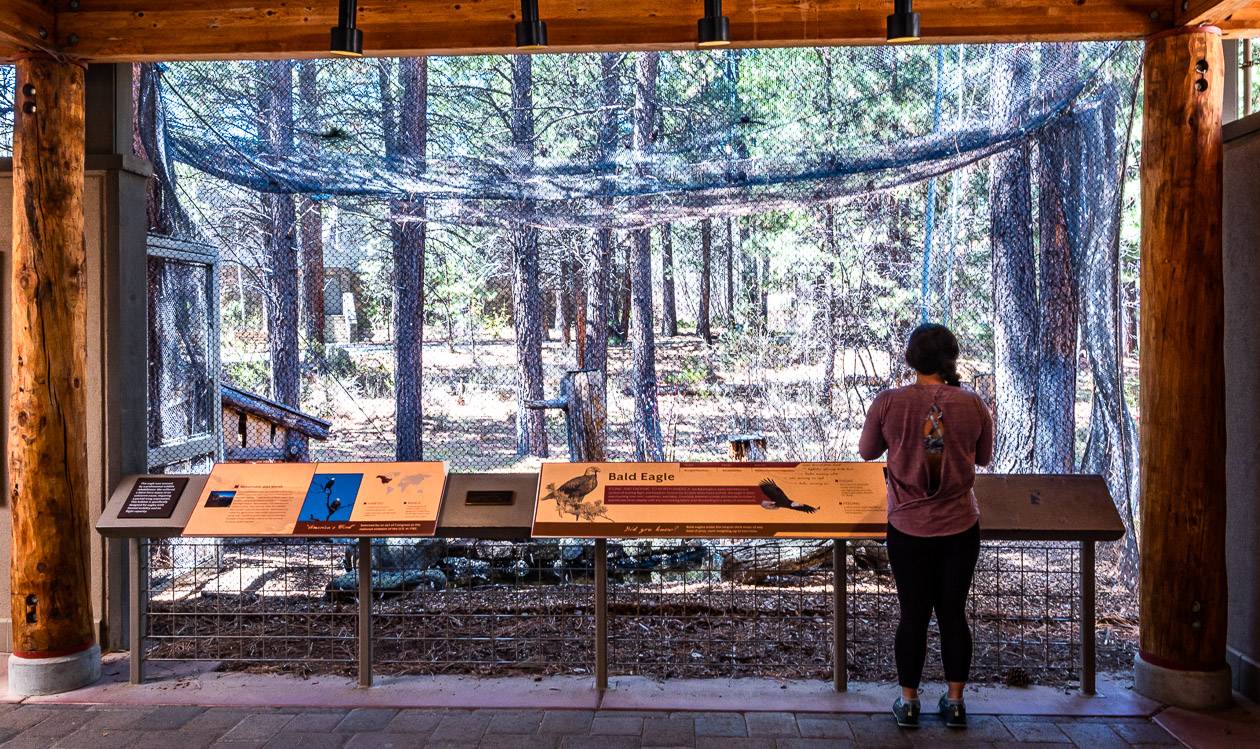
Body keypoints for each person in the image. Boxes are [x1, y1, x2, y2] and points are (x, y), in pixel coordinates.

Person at [858, 323, 994, 730]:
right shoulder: (973, 405)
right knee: (953, 614)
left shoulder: (889, 402)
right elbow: (984, 457)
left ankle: (909, 702)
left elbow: (867, 451)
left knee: (912, 615)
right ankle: (954, 703)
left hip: (908, 527)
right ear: (951, 359)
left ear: (910, 360)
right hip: (959, 527)